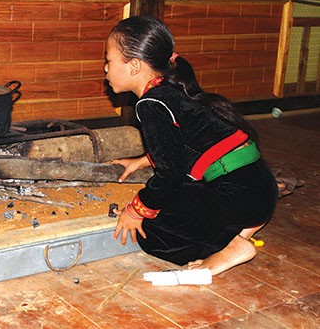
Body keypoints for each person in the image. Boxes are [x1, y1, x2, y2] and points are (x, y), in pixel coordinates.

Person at [105, 15, 277, 276]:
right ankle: (244, 228)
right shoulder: (170, 90)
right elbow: (187, 143)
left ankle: (230, 244)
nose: (105, 69)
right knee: (179, 196)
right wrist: (145, 159)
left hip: (240, 197)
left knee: (152, 232)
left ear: (134, 66)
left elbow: (171, 171)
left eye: (109, 60)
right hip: (260, 190)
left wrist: (136, 209)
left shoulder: (149, 104)